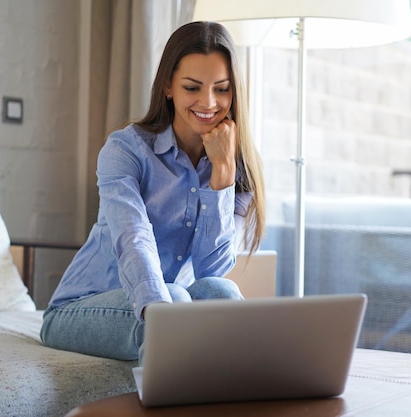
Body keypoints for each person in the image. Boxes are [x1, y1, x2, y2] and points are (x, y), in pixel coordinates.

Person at [40, 21, 266, 362]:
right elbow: (134, 239)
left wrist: (222, 176)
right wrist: (162, 313)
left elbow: (211, 270)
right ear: (168, 87)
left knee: (222, 292)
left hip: (175, 301)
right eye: (192, 87)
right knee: (173, 298)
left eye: (222, 89)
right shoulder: (125, 150)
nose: (209, 102)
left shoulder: (235, 164)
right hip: (81, 308)